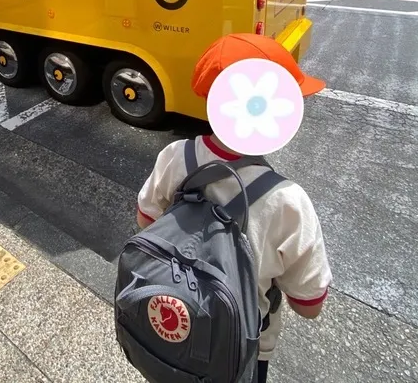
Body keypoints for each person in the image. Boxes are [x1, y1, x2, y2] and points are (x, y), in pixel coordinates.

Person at [136, 34, 332, 383]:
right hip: (240, 351)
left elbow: (145, 219)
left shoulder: (175, 156)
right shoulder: (288, 200)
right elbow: (310, 305)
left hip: (173, 323)